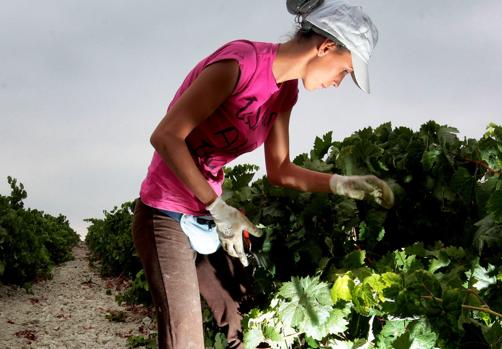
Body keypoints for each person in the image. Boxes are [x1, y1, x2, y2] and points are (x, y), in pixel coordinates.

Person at [131, 0, 394, 348]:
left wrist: (342, 184)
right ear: (325, 47)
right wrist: (219, 209)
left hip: (206, 215)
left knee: (244, 321)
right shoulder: (240, 63)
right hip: (164, 212)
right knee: (185, 339)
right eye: (344, 71)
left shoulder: (285, 93)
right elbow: (166, 136)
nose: (338, 82)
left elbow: (280, 170)